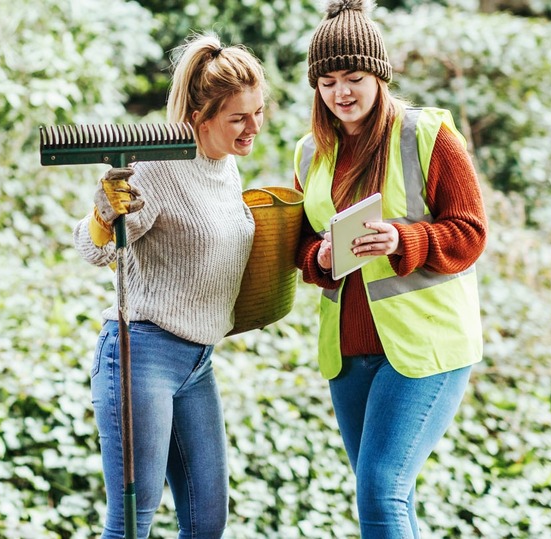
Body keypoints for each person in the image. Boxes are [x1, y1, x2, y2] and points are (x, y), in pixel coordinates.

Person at [290, 0, 488, 537]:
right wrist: (320, 258)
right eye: (327, 82)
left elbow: (471, 232)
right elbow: (304, 246)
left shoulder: (427, 135)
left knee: (380, 491)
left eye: (353, 77)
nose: (341, 93)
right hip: (349, 355)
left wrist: (403, 238)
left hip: (425, 349)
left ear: (379, 74)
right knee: (390, 496)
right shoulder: (311, 153)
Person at [73, 32, 268, 539]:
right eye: (238, 118)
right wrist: (104, 211)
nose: (253, 128)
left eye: (259, 112)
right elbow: (97, 249)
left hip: (198, 363)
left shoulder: (224, 167)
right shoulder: (157, 167)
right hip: (141, 356)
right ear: (201, 118)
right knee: (134, 520)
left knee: (207, 521)